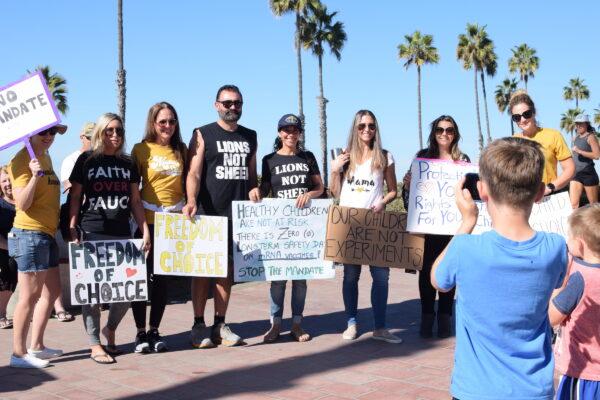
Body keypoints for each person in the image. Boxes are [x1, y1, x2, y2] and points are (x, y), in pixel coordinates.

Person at [432, 137, 567, 400]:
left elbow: (438, 279)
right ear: (539, 192)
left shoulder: (465, 248)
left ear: (482, 190)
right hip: (533, 390)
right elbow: (560, 279)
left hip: (475, 390)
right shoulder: (555, 248)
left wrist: (467, 221)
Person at [69, 113, 151, 364]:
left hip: (122, 234)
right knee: (92, 294)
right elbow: (75, 197)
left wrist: (144, 229)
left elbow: (136, 201)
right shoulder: (86, 160)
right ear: (100, 132)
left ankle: (110, 329)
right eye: (110, 130)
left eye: (119, 131)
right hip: (91, 231)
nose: (115, 135)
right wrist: (71, 225)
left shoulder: (128, 163)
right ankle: (95, 343)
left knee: (127, 291)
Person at [183, 85, 258, 348]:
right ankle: (198, 325)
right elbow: (193, 172)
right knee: (202, 271)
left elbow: (251, 175)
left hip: (236, 216)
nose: (232, 108)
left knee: (227, 271)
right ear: (216, 105)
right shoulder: (203, 133)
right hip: (207, 215)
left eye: (237, 103)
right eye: (227, 103)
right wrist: (191, 200)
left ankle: (220, 324)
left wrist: (255, 190)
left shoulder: (250, 136)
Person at [249, 113, 324, 343]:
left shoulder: (307, 157)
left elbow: (320, 187)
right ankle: (275, 325)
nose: (290, 134)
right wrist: (256, 192)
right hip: (279, 229)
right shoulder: (269, 159)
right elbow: (265, 189)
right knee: (278, 279)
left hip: (303, 227)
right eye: (286, 130)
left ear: (300, 133)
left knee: (300, 279)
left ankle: (297, 325)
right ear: (279, 132)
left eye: (295, 130)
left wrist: (309, 194)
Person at [330, 109, 401, 344]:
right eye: (362, 126)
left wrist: (382, 202)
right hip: (350, 223)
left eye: (371, 126)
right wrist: (334, 170)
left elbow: (393, 190)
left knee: (381, 277)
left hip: (375, 224)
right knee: (350, 276)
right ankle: (351, 323)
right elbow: (335, 193)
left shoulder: (385, 156)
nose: (367, 130)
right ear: (355, 129)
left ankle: (380, 327)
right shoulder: (345, 156)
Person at [402, 115, 470, 338]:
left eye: (449, 130)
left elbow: (469, 194)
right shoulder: (422, 157)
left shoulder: (463, 160)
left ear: (455, 133)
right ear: (434, 133)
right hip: (428, 226)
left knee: (449, 271)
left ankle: (444, 318)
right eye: (440, 130)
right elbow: (410, 196)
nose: (444, 134)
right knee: (426, 272)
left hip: (452, 227)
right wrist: (409, 185)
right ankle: (426, 316)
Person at [7, 124, 67, 368]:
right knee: (28, 297)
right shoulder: (21, 160)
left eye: (53, 133)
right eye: (45, 132)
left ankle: (37, 346)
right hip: (30, 234)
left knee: (51, 292)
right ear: (29, 133)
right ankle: (18, 354)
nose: (50, 137)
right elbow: (21, 202)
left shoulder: (45, 156)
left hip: (47, 234)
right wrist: (34, 176)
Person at [130, 102, 187, 353]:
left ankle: (155, 330)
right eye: (162, 121)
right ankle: (140, 333)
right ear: (153, 123)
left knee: (162, 282)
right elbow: (133, 193)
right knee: (141, 280)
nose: (167, 126)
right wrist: (143, 229)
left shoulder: (182, 150)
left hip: (172, 225)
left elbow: (189, 185)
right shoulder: (140, 150)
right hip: (147, 224)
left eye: (171, 121)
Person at [549, 203, 600, 400]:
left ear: (579, 244)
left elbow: (551, 317)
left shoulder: (580, 278)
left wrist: (560, 283)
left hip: (583, 373)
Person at [51, 123, 94, 323]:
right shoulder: (70, 159)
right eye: (89, 137)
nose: (92, 140)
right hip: (74, 215)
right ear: (81, 137)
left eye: (95, 136)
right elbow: (68, 186)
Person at [510, 90, 575, 195]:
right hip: (522, 200)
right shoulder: (512, 142)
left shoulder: (553, 135)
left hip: (550, 199)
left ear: (534, 112)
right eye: (517, 117)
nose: (522, 120)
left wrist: (550, 187)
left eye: (526, 114)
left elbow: (570, 168)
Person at [569, 114, 599, 208]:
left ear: (586, 124)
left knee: (594, 206)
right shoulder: (575, 138)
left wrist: (579, 151)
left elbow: (597, 155)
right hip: (576, 174)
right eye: (577, 124)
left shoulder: (591, 137)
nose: (578, 126)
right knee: (573, 204)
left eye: (581, 124)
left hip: (588, 173)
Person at [0, 166, 17, 329]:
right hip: (4, 251)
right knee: (5, 280)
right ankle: (1, 315)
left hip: (23, 249)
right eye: (4, 180)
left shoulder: (23, 201)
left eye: (10, 179)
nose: (8, 183)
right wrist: (9, 248)